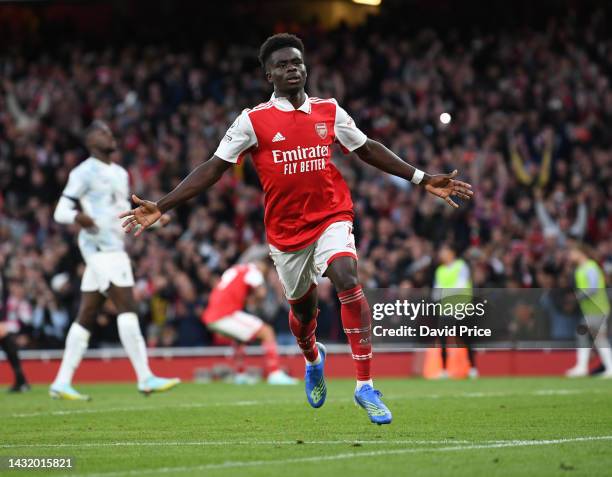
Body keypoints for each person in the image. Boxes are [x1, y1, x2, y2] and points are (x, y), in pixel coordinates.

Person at [119, 33, 473, 424]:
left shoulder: (329, 110)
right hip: (286, 234)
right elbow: (213, 168)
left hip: (331, 215)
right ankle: (312, 356)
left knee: (347, 277)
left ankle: (365, 386)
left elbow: (367, 147)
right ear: (269, 73)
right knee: (303, 316)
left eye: (298, 62)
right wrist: (163, 204)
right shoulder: (252, 120)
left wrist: (422, 178)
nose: (293, 69)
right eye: (284, 64)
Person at [50, 120, 180, 400]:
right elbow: (60, 210)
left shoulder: (120, 173)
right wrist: (77, 217)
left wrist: (156, 221)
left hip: (113, 247)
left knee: (86, 314)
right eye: (101, 132)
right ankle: (145, 377)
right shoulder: (83, 172)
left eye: (109, 131)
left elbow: (122, 214)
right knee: (127, 305)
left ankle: (61, 382)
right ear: (90, 142)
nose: (109, 134)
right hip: (100, 249)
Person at [203, 247, 297, 385]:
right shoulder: (254, 270)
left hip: (212, 314)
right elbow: (261, 293)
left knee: (240, 338)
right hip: (225, 314)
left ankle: (240, 375)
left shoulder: (236, 269)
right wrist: (257, 302)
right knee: (267, 332)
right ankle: (274, 373)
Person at [565, 243, 612, 378]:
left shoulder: (590, 267)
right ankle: (605, 367)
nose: (570, 256)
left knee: (586, 335)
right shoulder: (580, 269)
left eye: (572, 253)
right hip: (591, 309)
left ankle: (582, 367)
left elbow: (593, 288)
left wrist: (578, 296)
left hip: (597, 307)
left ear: (580, 252)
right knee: (598, 339)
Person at [433, 244, 478, 379]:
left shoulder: (461, 266)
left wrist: (444, 293)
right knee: (442, 340)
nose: (442, 254)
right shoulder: (439, 270)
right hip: (446, 310)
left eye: (444, 251)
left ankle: (473, 368)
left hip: (462, 308)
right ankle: (444, 370)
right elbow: (435, 291)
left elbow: (461, 285)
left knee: (466, 339)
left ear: (452, 253)